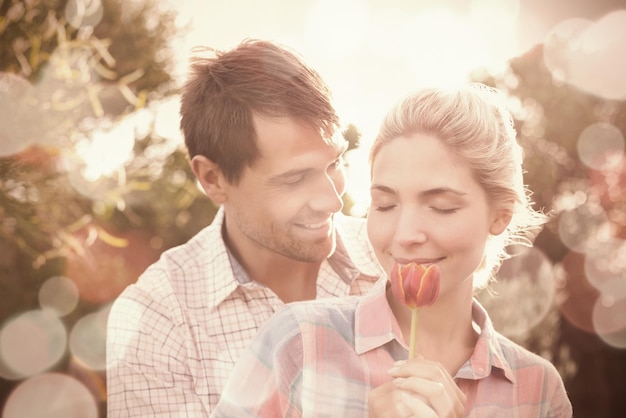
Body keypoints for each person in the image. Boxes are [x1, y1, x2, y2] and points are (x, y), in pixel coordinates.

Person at [212, 84, 574, 417]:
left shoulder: (538, 390)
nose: (404, 235)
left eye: (441, 206)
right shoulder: (298, 342)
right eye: (385, 205)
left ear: (500, 216)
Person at [105, 39, 382, 416]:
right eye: (295, 179)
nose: (333, 201)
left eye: (334, 163)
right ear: (213, 179)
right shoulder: (156, 322)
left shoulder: (392, 258)